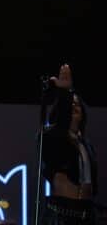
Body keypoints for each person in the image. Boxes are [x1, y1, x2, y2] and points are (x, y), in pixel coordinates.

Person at [41, 64, 98, 225]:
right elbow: (57, 145)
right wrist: (64, 93)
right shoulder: (52, 137)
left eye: (77, 103)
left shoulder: (85, 144)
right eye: (69, 103)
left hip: (86, 213)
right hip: (61, 214)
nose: (74, 105)